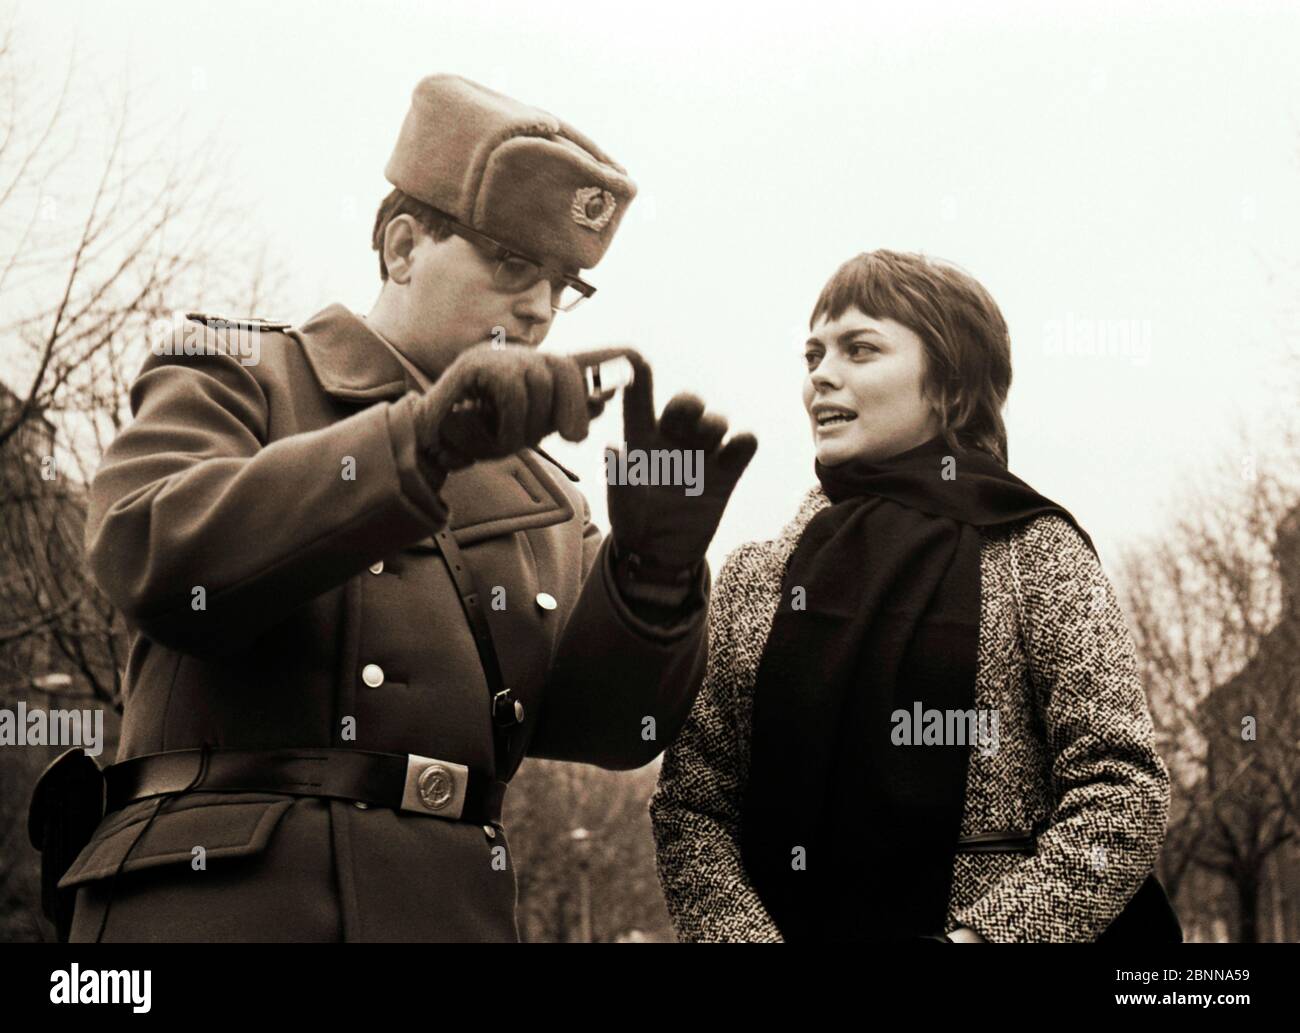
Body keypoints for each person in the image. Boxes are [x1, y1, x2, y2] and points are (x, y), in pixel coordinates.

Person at [47, 73, 756, 942]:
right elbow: (153, 557)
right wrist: (422, 441)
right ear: (402, 245)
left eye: (564, 282)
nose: (539, 307)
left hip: (445, 911)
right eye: (512, 262)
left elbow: (614, 731)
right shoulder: (240, 374)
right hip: (216, 906)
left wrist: (651, 581)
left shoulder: (547, 500)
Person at [649, 249, 1171, 942]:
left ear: (950, 383)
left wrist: (981, 942)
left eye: (859, 349)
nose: (821, 377)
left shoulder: (1036, 552)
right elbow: (691, 806)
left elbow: (1122, 789)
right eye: (813, 355)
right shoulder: (755, 576)